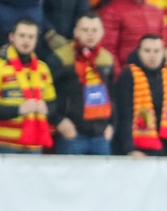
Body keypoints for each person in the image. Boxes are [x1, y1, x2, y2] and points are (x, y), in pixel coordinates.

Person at [111, 34, 167, 157]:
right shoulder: (128, 75)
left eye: (156, 51)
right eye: (147, 51)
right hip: (138, 147)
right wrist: (129, 149)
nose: (152, 55)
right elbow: (124, 115)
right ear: (139, 52)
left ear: (163, 53)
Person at [51, 12, 114, 155]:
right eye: (85, 30)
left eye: (94, 30)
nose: (90, 34)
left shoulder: (108, 59)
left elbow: (113, 94)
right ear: (76, 32)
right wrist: (58, 120)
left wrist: (112, 124)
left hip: (102, 135)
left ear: (102, 33)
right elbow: (46, 94)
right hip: (72, 134)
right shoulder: (60, 58)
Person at [0, 18, 56, 154]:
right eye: (22, 36)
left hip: (35, 145)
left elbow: (53, 104)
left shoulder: (43, 68)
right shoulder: (1, 66)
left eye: (31, 37)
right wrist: (19, 110)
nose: (26, 41)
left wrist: (46, 108)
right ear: (12, 37)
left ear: (36, 40)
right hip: (5, 144)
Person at [99, 0, 165, 73]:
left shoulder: (156, 11)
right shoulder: (113, 11)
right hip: (126, 71)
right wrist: (119, 75)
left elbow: (163, 47)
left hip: (155, 74)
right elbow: (108, 49)